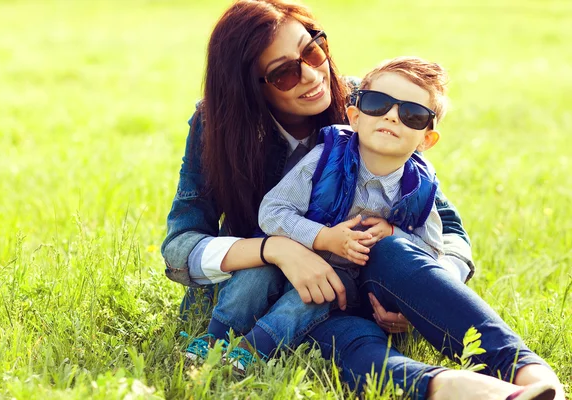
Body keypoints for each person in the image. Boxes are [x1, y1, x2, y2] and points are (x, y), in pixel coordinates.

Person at [161, 1, 564, 399]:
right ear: (249, 87)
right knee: (350, 344)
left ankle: (527, 372)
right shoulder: (218, 124)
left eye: (312, 49)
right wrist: (279, 249)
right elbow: (181, 246)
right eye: (283, 72)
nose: (311, 75)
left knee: (392, 247)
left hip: (363, 279)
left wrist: (422, 292)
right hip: (278, 292)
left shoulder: (373, 103)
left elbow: (445, 224)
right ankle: (454, 387)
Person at [206, 56, 449, 366]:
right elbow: (273, 210)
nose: (391, 117)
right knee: (253, 276)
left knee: (312, 297)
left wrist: (393, 233)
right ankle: (214, 337)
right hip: (291, 252)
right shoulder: (326, 158)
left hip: (346, 281)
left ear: (426, 139)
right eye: (378, 103)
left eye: (412, 114)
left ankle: (252, 351)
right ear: (355, 117)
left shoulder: (420, 190)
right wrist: (323, 238)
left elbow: (431, 256)